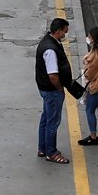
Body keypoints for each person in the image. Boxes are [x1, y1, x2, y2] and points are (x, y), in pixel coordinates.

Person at [35, 17, 72, 164]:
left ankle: (42, 148)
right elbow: (53, 75)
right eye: (64, 32)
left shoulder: (48, 41)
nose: (65, 35)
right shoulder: (50, 50)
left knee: (46, 118)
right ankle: (51, 152)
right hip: (52, 91)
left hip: (45, 89)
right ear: (57, 31)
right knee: (53, 121)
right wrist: (60, 90)